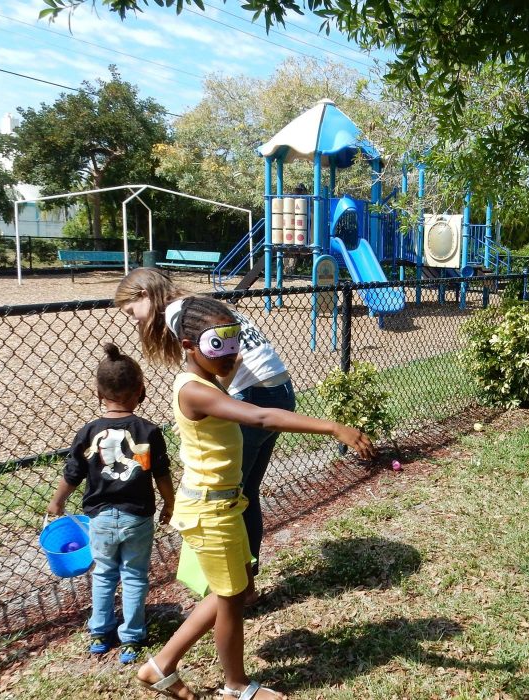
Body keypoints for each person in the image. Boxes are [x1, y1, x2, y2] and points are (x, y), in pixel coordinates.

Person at [136, 296, 375, 699]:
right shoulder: (196, 391)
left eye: (234, 341)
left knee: (234, 588)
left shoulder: (210, 378)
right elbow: (262, 416)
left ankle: (160, 666)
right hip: (210, 509)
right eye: (219, 345)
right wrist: (333, 426)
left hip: (222, 503)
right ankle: (235, 686)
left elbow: (242, 380)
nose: (230, 355)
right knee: (231, 598)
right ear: (189, 347)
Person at [116, 268, 293, 603]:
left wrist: (218, 400)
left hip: (253, 395)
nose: (134, 321)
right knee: (245, 492)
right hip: (280, 389)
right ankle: (244, 584)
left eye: (132, 312)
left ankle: (232, 590)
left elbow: (234, 358)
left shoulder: (176, 313)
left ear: (144, 295)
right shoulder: (198, 305)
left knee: (226, 496)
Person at [47, 343, 175, 664]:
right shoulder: (148, 431)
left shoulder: (88, 432)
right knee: (134, 575)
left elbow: (73, 473)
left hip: (100, 519)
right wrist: (169, 504)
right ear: (141, 391)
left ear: (98, 392)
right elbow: (161, 474)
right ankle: (132, 638)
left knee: (104, 573)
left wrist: (57, 503)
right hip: (137, 518)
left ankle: (100, 632)